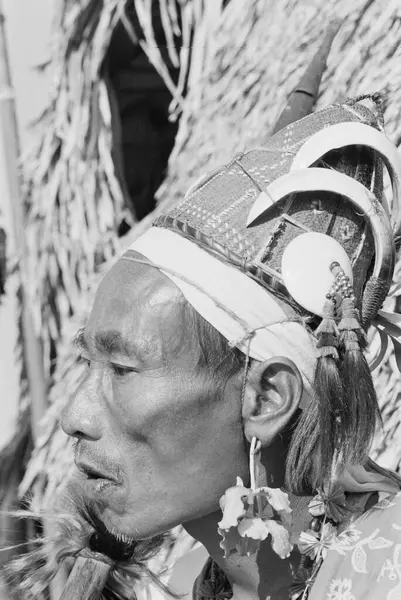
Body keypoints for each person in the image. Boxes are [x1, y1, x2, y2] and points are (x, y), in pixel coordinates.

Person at [61, 94, 401, 600]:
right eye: (88, 362)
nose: (74, 415)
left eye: (123, 369)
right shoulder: (191, 582)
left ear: (266, 400)